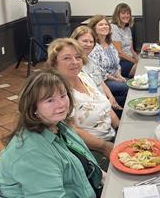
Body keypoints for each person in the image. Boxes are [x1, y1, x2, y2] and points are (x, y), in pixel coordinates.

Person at [0, 71, 150, 198]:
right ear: (32, 107)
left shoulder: (58, 126)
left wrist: (109, 181)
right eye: (49, 100)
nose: (61, 104)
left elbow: (86, 165)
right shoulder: (31, 153)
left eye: (62, 96)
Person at [47, 38, 118, 169]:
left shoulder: (84, 77)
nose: (74, 62)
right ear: (54, 63)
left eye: (78, 57)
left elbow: (104, 105)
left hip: (111, 137)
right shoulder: (59, 92)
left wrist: (120, 127)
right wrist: (104, 146)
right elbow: (71, 130)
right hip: (91, 148)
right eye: (67, 58)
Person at [70, 25, 122, 116]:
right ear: (74, 41)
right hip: (97, 108)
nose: (89, 44)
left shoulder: (90, 61)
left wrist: (111, 97)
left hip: (104, 102)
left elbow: (101, 81)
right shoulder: (74, 67)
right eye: (85, 41)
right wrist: (107, 105)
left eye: (91, 42)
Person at [88, 15, 128, 107]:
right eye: (101, 25)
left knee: (133, 84)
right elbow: (99, 71)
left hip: (115, 77)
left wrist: (120, 76)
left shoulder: (109, 43)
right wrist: (116, 79)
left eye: (106, 24)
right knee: (126, 87)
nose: (105, 26)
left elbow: (117, 64)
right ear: (94, 28)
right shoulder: (93, 46)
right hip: (103, 81)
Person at [111, 3, 138, 78]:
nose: (126, 15)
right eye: (123, 13)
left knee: (144, 64)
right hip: (120, 62)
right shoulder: (114, 28)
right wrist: (135, 61)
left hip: (130, 58)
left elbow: (131, 49)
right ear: (117, 15)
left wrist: (138, 59)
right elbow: (120, 53)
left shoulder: (127, 28)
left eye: (128, 13)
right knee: (141, 69)